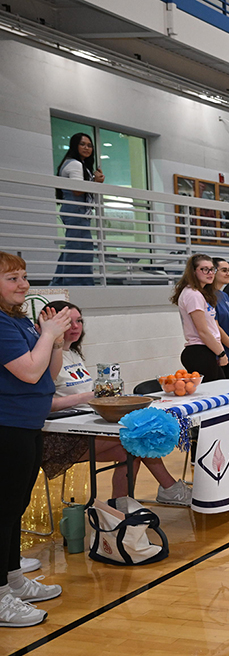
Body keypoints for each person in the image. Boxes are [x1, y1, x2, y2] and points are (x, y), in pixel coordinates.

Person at [38, 301, 192, 505]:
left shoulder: (74, 353)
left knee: (133, 449)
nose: (75, 327)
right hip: (61, 434)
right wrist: (90, 397)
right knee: (137, 436)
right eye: (69, 322)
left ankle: (119, 508)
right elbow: (44, 404)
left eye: (79, 321)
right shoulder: (47, 356)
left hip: (85, 424)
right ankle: (169, 488)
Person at [0, 252, 71, 627]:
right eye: (13, 279)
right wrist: (46, 334)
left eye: (24, 277)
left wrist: (55, 340)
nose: (23, 285)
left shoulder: (19, 320)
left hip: (28, 424)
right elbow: (28, 372)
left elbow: (47, 371)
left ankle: (13, 580)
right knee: (3, 511)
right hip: (7, 427)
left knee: (14, 508)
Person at [51, 133, 105, 286]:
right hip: (76, 212)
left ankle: (58, 284)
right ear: (75, 146)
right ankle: (79, 285)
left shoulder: (74, 164)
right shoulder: (75, 164)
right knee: (81, 250)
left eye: (89, 145)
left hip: (75, 211)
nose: (87, 148)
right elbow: (77, 190)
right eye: (83, 144)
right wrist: (95, 182)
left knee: (73, 248)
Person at [171, 254, 228, 380]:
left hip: (207, 349)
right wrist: (221, 353)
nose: (210, 273)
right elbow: (203, 331)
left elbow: (213, 326)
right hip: (199, 351)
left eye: (212, 269)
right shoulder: (193, 294)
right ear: (193, 272)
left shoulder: (201, 294)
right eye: (204, 269)